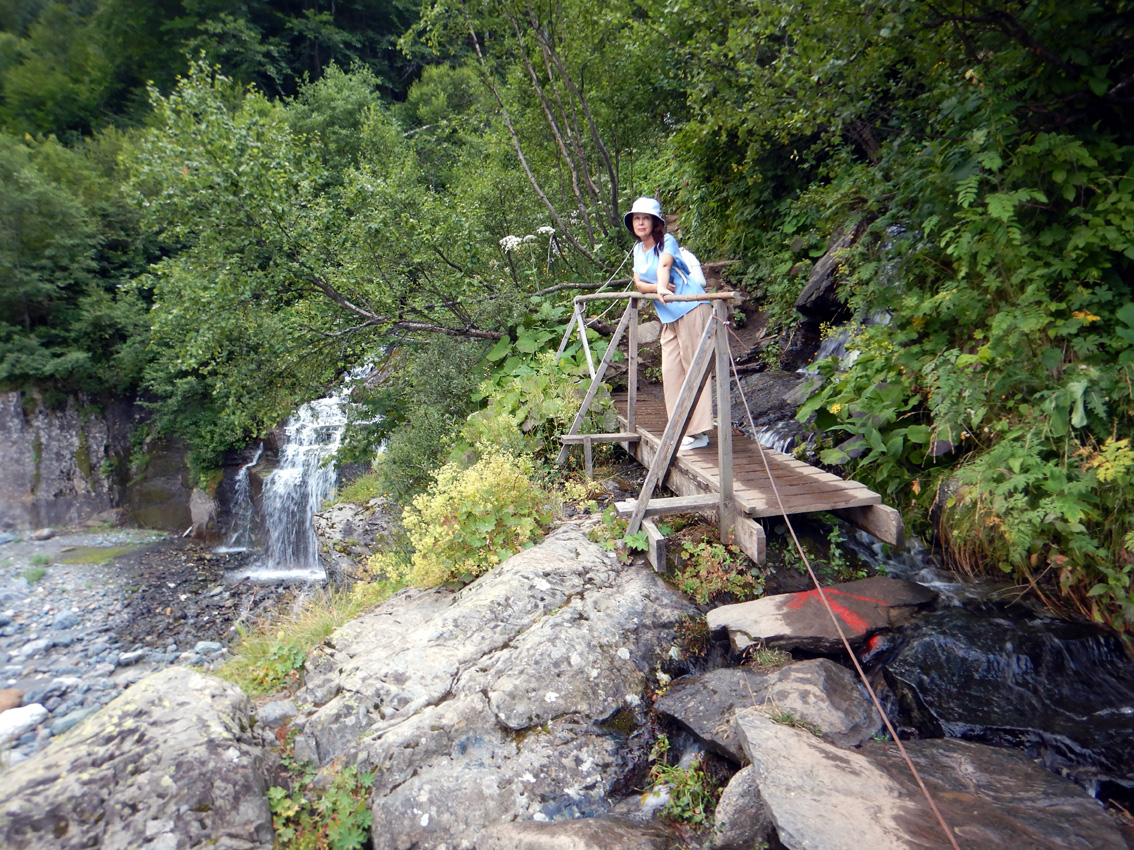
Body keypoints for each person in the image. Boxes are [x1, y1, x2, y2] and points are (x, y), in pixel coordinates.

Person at [626, 196, 712, 451]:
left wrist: (662, 285)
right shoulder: (637, 251)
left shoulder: (667, 242)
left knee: (694, 366)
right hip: (668, 315)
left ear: (655, 222)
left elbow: (665, 264)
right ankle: (680, 427)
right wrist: (657, 288)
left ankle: (699, 434)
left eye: (645, 218)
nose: (640, 223)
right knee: (671, 372)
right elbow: (639, 284)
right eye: (636, 218)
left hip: (691, 308)